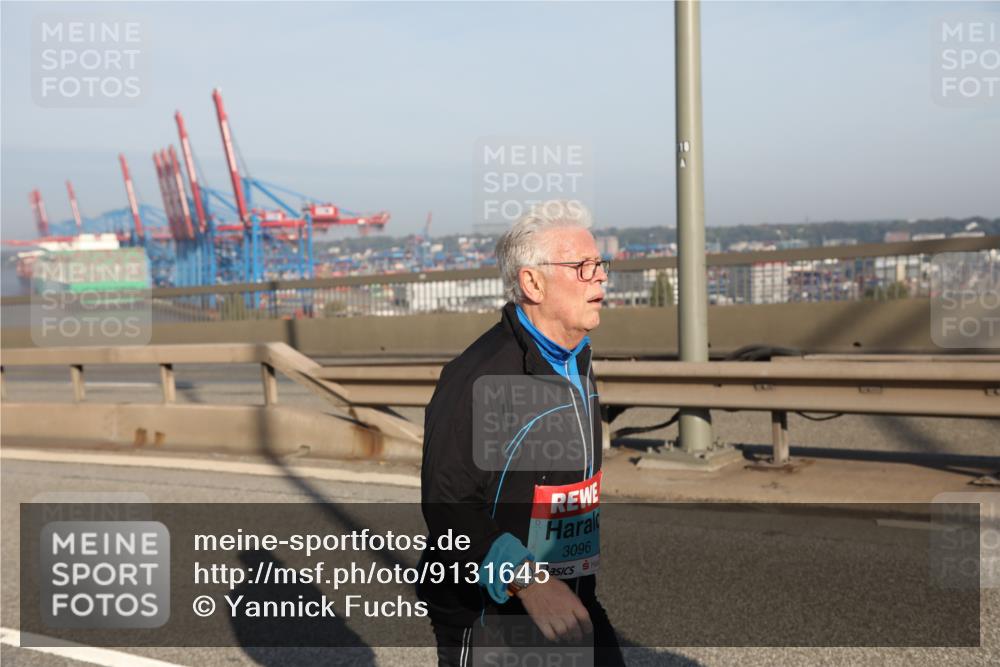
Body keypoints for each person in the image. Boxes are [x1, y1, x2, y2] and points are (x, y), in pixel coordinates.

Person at [418, 200, 625, 666]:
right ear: (532, 281)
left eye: (600, 264)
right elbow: (446, 504)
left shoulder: (575, 359)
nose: (600, 277)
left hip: (570, 597)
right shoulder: (480, 378)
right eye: (582, 267)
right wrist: (528, 579)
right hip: (493, 612)